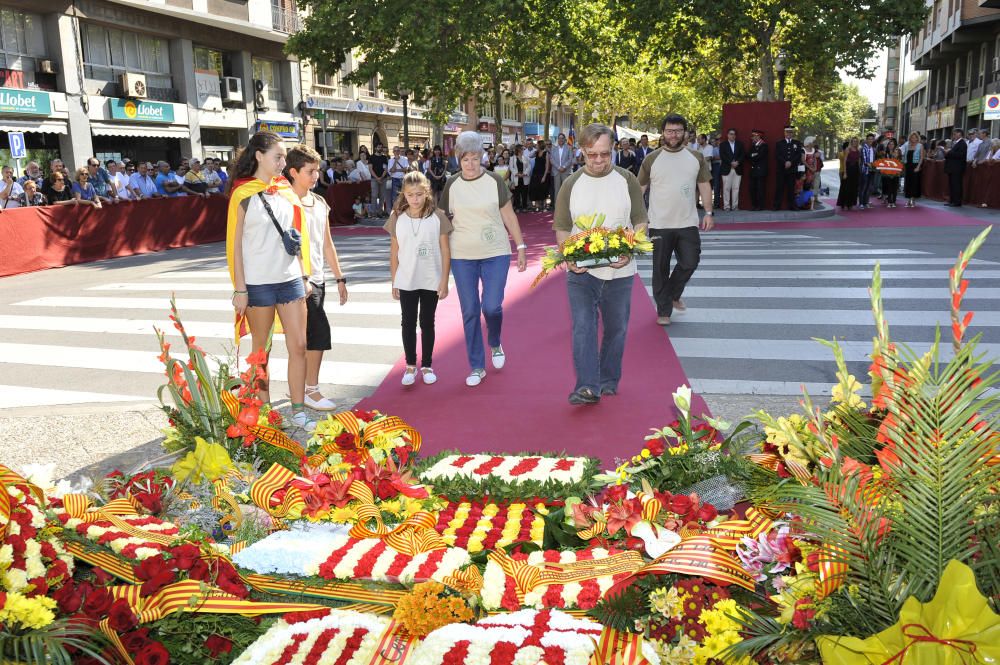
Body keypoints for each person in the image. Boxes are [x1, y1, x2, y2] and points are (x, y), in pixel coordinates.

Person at [553, 123, 648, 405]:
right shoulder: (571, 184)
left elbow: (641, 221)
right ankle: (587, 386)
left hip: (620, 272)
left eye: (604, 154)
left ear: (613, 150)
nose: (598, 160)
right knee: (583, 326)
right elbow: (561, 227)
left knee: (616, 328)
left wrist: (630, 249)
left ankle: (608, 380)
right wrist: (569, 258)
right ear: (581, 151)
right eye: (592, 154)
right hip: (582, 272)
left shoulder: (627, 179)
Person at [227, 131, 315, 430]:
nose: (282, 162)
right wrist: (240, 288)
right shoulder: (242, 195)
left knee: (300, 346)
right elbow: (235, 246)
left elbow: (296, 237)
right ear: (259, 157)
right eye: (278, 156)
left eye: (283, 156)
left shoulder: (286, 192)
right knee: (260, 354)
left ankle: (299, 409)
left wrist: (305, 275)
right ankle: (265, 413)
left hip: (290, 277)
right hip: (258, 283)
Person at [439, 131, 527, 387]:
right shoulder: (451, 184)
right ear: (458, 159)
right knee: (469, 310)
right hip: (462, 255)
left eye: (475, 158)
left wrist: (520, 245)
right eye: (465, 159)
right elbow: (444, 220)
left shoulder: (494, 181)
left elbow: (509, 215)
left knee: (491, 307)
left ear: (482, 157)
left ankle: (495, 341)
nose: (470, 164)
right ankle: (477, 366)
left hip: (495, 252)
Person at [284, 144, 349, 412]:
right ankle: (310, 390)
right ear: (293, 172)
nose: (315, 176)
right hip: (296, 280)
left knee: (314, 335)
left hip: (318, 279)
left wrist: (340, 278)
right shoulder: (284, 202)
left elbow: (327, 244)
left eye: (317, 170)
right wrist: (302, 276)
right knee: (314, 335)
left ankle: (305, 388)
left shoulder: (320, 202)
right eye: (310, 171)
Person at [638, 113, 714, 327]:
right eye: (670, 131)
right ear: (663, 133)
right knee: (660, 269)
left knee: (690, 262)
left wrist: (708, 212)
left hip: (688, 222)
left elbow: (705, 186)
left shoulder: (695, 157)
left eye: (678, 131)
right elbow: (639, 189)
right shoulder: (651, 159)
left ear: (686, 133)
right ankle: (664, 310)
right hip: (659, 223)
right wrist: (639, 218)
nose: (674, 135)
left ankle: (672, 294)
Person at [386, 171, 452, 386]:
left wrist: (444, 281)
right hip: (406, 279)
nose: (414, 199)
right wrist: (394, 280)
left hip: (431, 278)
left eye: (419, 194)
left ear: (427, 193)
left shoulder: (438, 216)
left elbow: (445, 250)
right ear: (404, 195)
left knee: (427, 322)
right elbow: (394, 251)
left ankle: (427, 365)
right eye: (410, 195)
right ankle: (410, 365)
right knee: (407, 322)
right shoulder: (397, 217)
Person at [773, 125, 803, 211]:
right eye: (787, 132)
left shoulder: (797, 143)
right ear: (784, 133)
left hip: (792, 169)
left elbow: (798, 155)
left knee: (791, 189)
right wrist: (785, 162)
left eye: (790, 132)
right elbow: (777, 155)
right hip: (781, 169)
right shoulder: (779, 143)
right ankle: (776, 205)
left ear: (792, 133)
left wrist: (791, 162)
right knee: (779, 188)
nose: (789, 134)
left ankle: (792, 206)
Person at [719, 128, 745, 211]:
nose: (732, 135)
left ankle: (735, 206)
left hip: (737, 168)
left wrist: (737, 162)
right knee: (726, 188)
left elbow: (742, 155)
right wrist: (731, 162)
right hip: (727, 169)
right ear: (727, 135)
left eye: (734, 134)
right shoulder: (723, 144)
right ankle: (726, 206)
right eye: (730, 134)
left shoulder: (740, 144)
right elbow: (723, 156)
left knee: (736, 188)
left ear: (735, 136)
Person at [943, 128, 967, 207]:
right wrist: (947, 153)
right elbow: (953, 154)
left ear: (959, 134)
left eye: (954, 134)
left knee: (956, 185)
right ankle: (952, 200)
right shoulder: (955, 143)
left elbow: (961, 155)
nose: (953, 135)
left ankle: (957, 202)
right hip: (952, 167)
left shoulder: (962, 143)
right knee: (952, 185)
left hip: (957, 168)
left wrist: (949, 152)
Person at [549, 133, 574, 205]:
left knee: (565, 189)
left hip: (565, 171)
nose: (560, 140)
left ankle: (566, 206)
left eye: (562, 138)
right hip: (556, 171)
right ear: (557, 139)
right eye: (559, 138)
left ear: (564, 139)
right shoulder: (554, 149)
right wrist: (558, 167)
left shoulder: (568, 148)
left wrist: (564, 167)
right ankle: (557, 206)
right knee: (557, 189)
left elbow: (570, 159)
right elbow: (551, 159)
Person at [837, 138, 860, 211]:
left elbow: (858, 161)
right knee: (846, 187)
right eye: (853, 141)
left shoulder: (858, 150)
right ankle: (845, 204)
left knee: (854, 187)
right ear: (851, 142)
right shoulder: (848, 149)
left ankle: (851, 204)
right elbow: (845, 161)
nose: (855, 143)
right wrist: (845, 173)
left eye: (856, 141)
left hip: (855, 170)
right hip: (848, 169)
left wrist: (859, 171)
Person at [902, 131, 924, 207]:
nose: (913, 138)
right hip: (908, 166)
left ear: (917, 138)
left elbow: (921, 157)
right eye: (912, 137)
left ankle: (913, 199)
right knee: (908, 182)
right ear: (910, 138)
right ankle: (908, 199)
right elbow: (904, 155)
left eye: (915, 137)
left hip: (915, 166)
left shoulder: (920, 145)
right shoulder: (907, 145)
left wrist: (918, 167)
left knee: (914, 183)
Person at [748, 129, 768, 211]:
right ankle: (754, 205)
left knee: (760, 189)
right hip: (753, 170)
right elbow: (749, 155)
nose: (752, 138)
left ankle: (760, 206)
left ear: (758, 136)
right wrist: (753, 155)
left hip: (760, 170)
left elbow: (760, 156)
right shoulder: (753, 146)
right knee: (753, 189)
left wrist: (753, 155)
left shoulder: (764, 145)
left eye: (754, 136)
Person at [801, 137, 823, 210]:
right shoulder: (803, 150)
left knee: (811, 187)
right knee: (805, 186)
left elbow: (816, 159)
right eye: (812, 142)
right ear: (809, 143)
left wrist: (815, 168)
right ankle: (804, 203)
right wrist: (810, 168)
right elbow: (803, 161)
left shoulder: (814, 150)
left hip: (812, 171)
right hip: (806, 171)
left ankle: (810, 205)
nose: (813, 144)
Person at [529, 139, 551, 212]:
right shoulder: (536, 152)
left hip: (542, 174)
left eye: (537, 145)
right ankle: (537, 206)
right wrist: (535, 151)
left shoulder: (546, 153)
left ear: (540, 145)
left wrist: (544, 176)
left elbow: (547, 166)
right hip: (535, 174)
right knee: (535, 190)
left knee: (543, 190)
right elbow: (530, 156)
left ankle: (544, 206)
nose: (536, 146)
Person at [857, 134, 876, 209]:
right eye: (869, 139)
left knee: (869, 187)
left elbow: (874, 159)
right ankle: (861, 203)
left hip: (872, 170)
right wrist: (872, 166)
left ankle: (866, 202)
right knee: (863, 187)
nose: (871, 140)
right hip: (865, 170)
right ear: (866, 140)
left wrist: (874, 166)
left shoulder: (873, 149)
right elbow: (865, 160)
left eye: (872, 139)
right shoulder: (863, 148)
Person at [509, 144, 531, 212]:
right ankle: (518, 207)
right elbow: (511, 167)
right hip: (516, 178)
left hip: (524, 177)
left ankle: (524, 207)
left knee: (524, 193)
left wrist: (524, 173)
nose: (523, 150)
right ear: (518, 150)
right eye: (522, 149)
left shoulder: (526, 157)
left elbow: (529, 167)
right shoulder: (512, 158)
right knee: (517, 194)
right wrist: (516, 174)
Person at [370, 145, 389, 217]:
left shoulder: (384, 157)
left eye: (381, 147)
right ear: (375, 148)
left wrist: (381, 177)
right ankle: (373, 213)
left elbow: (386, 169)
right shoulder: (371, 157)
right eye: (378, 147)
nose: (380, 148)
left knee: (382, 196)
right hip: (374, 179)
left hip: (383, 179)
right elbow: (370, 169)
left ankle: (380, 212)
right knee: (374, 195)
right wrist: (377, 178)